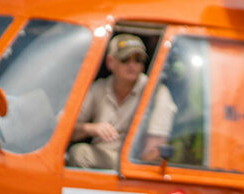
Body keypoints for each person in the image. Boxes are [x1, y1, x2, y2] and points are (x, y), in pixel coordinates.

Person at [68, 33, 177, 169]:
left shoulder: (156, 92)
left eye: (138, 60)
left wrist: (131, 171)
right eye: (125, 59)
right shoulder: (99, 88)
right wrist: (92, 128)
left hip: (134, 164)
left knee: (80, 153)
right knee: (77, 153)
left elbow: (154, 150)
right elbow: (65, 129)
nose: (132, 65)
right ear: (110, 62)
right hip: (99, 159)